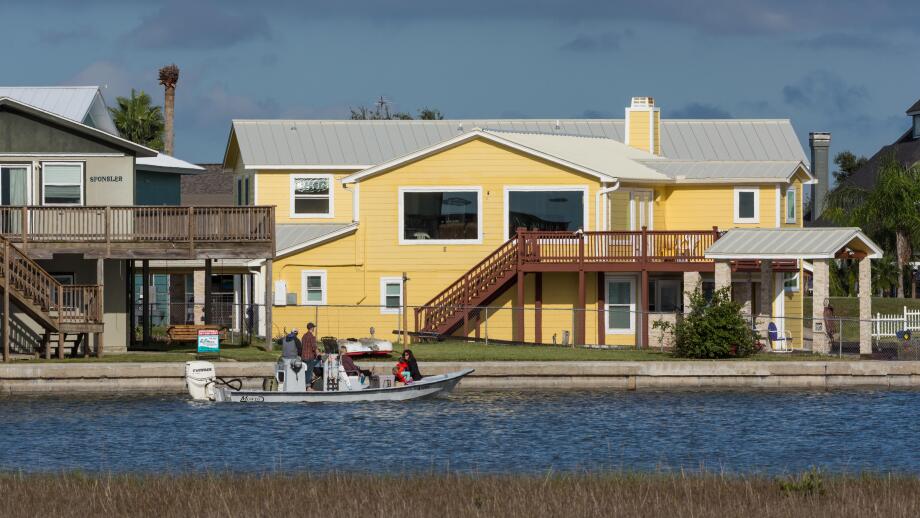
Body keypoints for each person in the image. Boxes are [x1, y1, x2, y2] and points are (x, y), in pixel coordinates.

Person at [301, 323, 320, 389]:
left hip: (303, 357)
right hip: (309, 357)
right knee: (309, 371)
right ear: (311, 328)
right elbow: (314, 347)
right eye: (313, 327)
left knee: (305, 372)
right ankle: (308, 387)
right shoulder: (312, 336)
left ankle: (309, 381)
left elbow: (303, 346)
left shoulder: (304, 336)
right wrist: (319, 354)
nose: (314, 329)